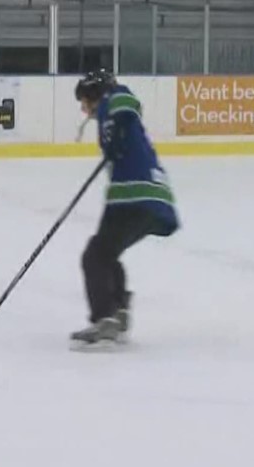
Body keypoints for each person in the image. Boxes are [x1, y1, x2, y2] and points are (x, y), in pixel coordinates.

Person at [71, 68, 179, 347]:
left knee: (94, 257)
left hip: (135, 196)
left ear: (96, 93)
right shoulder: (107, 118)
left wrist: (118, 126)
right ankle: (118, 313)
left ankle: (104, 318)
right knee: (106, 254)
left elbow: (127, 103)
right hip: (146, 197)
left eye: (85, 101)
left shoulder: (114, 100)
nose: (85, 109)